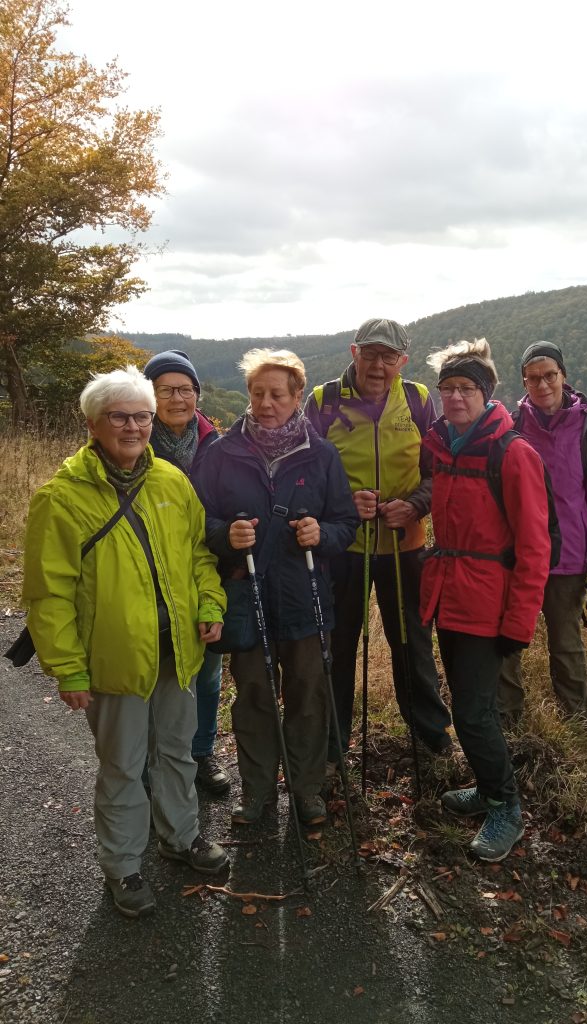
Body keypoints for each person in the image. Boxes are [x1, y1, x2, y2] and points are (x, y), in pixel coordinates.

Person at [22, 366, 229, 918]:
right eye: (120, 416)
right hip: (113, 662)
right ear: (93, 423)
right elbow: (48, 593)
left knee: (178, 753)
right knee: (122, 764)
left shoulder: (171, 482)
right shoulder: (61, 498)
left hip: (177, 652)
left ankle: (181, 837)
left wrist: (210, 605)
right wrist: (67, 668)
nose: (134, 427)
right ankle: (124, 866)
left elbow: (199, 556)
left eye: (142, 415)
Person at [192, 349, 358, 827]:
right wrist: (226, 535)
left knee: (308, 697)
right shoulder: (221, 453)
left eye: (277, 394)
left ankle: (307, 792)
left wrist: (321, 535)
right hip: (248, 599)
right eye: (258, 393)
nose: (266, 403)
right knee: (255, 698)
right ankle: (258, 792)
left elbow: (345, 523)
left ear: (297, 396)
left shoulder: (321, 455)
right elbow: (199, 519)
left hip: (306, 600)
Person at [420, 339, 551, 861]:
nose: (454, 397)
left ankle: (506, 808)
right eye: (447, 388)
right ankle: (485, 786)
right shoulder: (447, 446)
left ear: (486, 393)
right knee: (468, 705)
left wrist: (519, 623)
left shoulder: (512, 453)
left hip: (487, 605)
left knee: (474, 713)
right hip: (449, 596)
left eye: (466, 388)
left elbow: (535, 547)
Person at [305, 317, 452, 769]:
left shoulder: (419, 400)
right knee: (338, 642)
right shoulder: (323, 401)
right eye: (370, 354)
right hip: (343, 549)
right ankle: (332, 746)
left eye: (389, 357)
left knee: (412, 642)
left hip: (404, 543)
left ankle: (432, 741)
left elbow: (437, 471)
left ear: (402, 361)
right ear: (354, 353)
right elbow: (305, 473)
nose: (378, 365)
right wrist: (344, 504)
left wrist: (414, 506)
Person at [497, 341, 587, 723]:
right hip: (518, 555)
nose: (543, 384)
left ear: (563, 376)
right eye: (533, 378)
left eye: (550, 375)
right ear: (524, 382)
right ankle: (508, 723)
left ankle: (578, 724)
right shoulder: (511, 427)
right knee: (507, 643)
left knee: (566, 644)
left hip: (567, 557)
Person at [143, 348, 230, 795]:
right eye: (165, 390)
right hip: (146, 575)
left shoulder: (218, 443)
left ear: (198, 392)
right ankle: (150, 759)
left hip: (205, 570)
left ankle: (200, 753)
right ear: (149, 395)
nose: (177, 398)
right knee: (150, 669)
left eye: (185, 389)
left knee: (208, 669)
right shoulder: (133, 441)